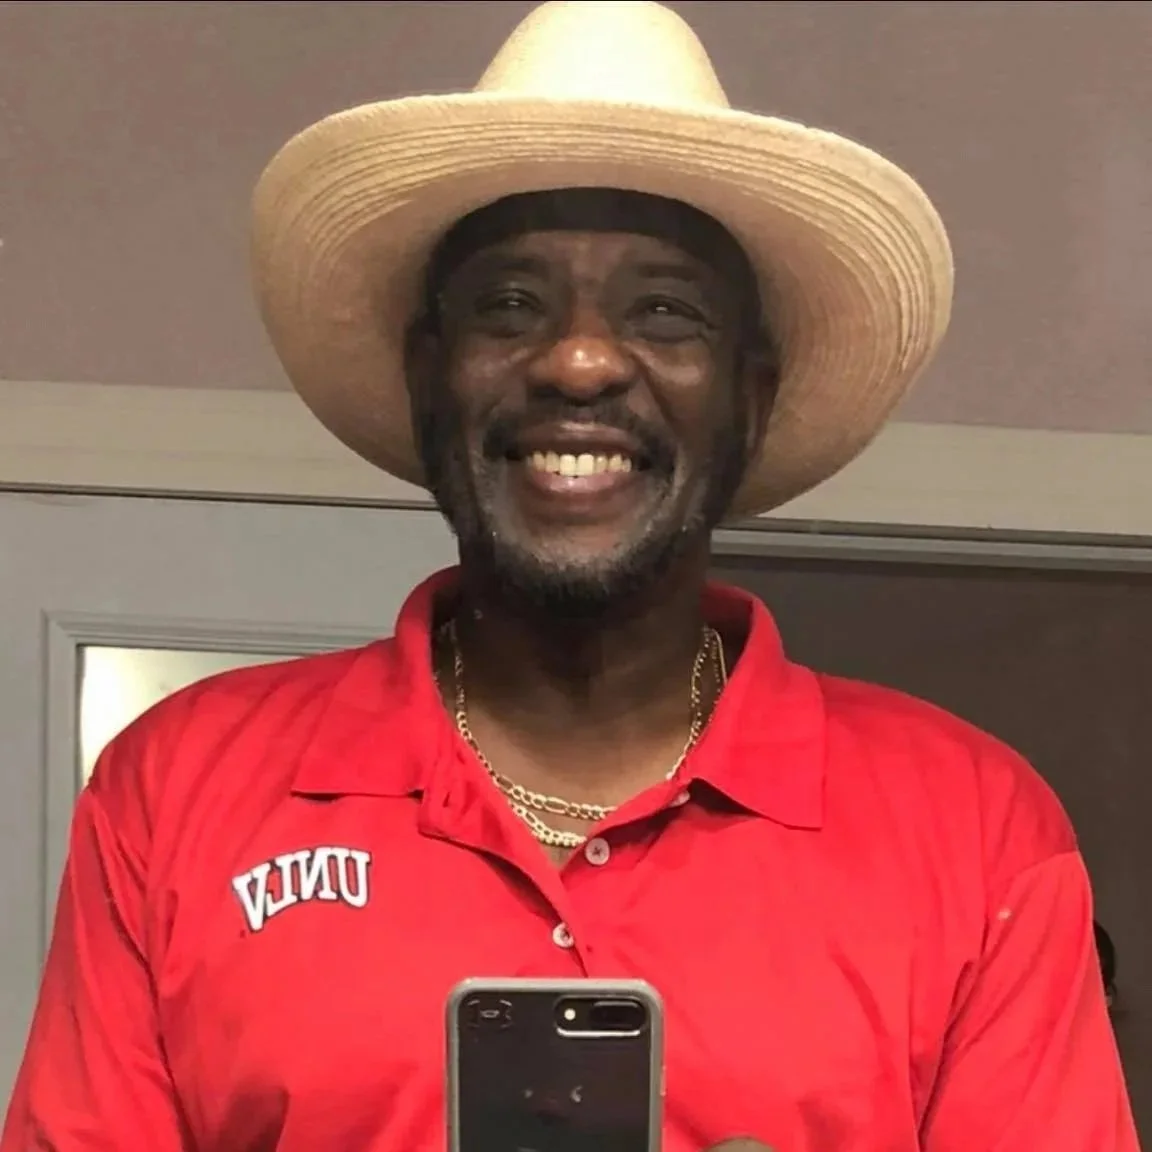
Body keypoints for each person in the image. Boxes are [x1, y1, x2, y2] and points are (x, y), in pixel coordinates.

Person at [2, 2, 1139, 1150]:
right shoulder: (178, 792)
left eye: (664, 310)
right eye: (510, 305)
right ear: (427, 378)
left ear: (748, 397)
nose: (582, 359)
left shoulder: (973, 827)